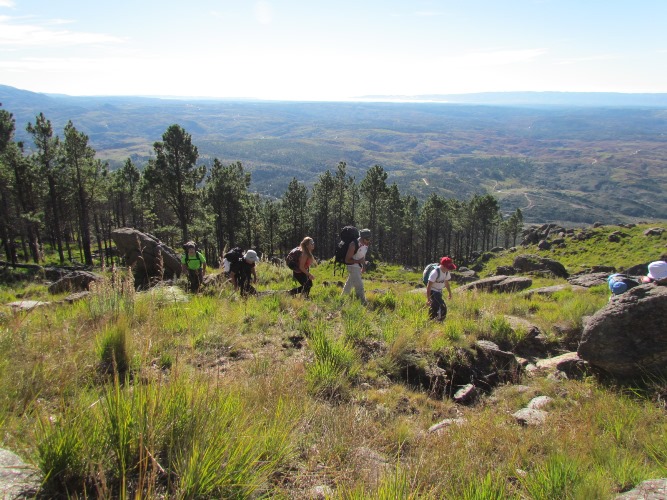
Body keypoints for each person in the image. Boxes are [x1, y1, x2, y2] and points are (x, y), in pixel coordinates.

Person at [341, 228, 371, 305]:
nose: (369, 241)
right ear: (362, 238)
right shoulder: (353, 245)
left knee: (349, 284)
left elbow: (362, 256)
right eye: (367, 239)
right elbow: (347, 260)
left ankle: (342, 299)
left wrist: (363, 266)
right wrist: (358, 262)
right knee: (359, 286)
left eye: (369, 239)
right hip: (352, 267)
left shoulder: (365, 245)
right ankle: (363, 303)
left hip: (358, 267)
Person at [426, 256, 456, 322]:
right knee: (442, 306)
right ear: (443, 266)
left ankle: (432, 321)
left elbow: (446, 283)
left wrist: (450, 293)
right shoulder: (435, 272)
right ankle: (439, 321)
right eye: (448, 268)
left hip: (439, 291)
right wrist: (428, 298)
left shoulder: (446, 272)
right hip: (433, 292)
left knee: (434, 307)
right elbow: (428, 286)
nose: (449, 269)